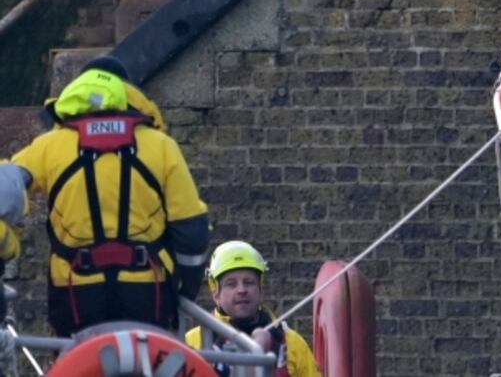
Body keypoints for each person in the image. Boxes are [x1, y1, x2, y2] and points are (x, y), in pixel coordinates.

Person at [1, 55, 210, 336]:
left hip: (75, 290)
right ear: (128, 93)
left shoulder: (50, 145)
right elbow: (191, 230)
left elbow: (7, 188)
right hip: (148, 290)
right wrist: (186, 288)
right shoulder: (161, 146)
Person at [185, 241, 322, 377]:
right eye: (231, 284)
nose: (241, 290)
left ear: (261, 288)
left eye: (249, 282)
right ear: (216, 292)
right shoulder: (192, 342)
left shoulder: (291, 343)